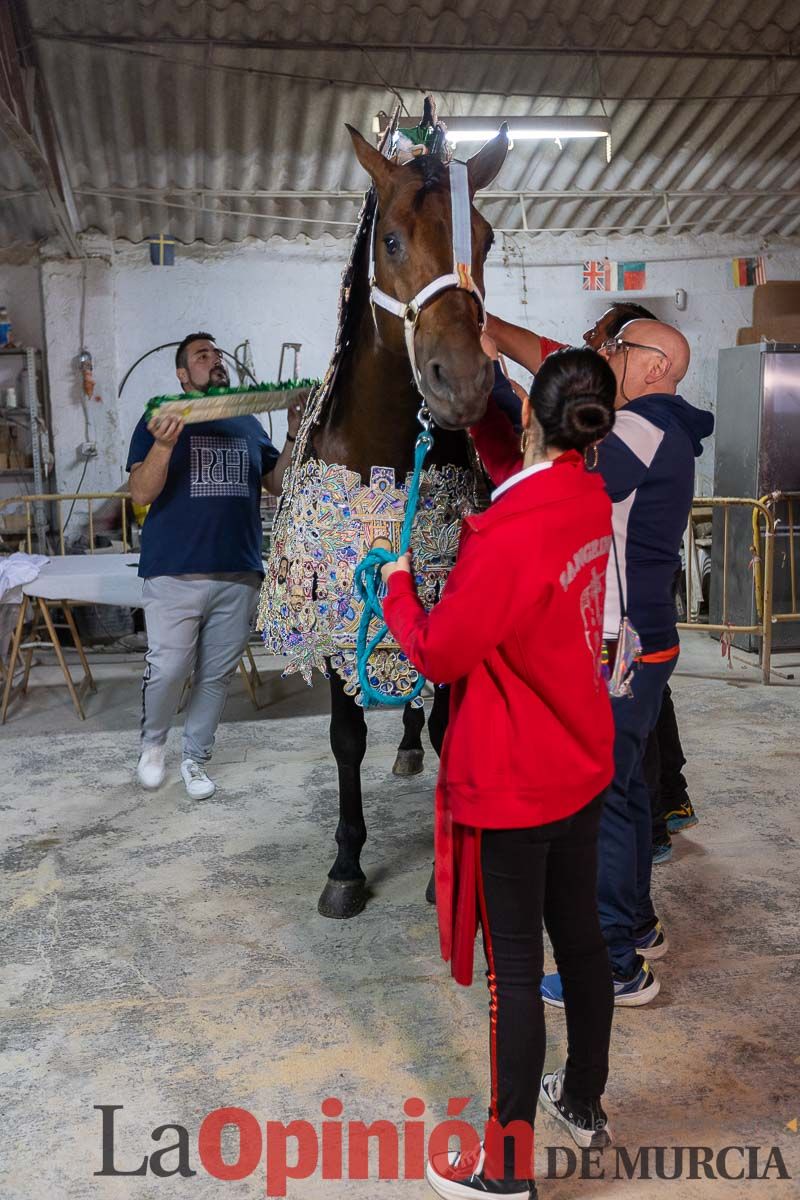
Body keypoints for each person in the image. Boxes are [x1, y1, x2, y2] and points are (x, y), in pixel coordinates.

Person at [382, 348, 618, 1200]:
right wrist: (490, 407)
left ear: (531, 418)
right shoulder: (587, 496)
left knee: (514, 974)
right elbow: (519, 471)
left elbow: (441, 654)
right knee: (582, 940)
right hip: (581, 768)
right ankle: (584, 1102)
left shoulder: (508, 533)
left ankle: (507, 1170)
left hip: (515, 786)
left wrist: (398, 591)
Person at [531, 319, 713, 1007]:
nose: (607, 357)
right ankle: (636, 926)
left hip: (622, 642)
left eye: (618, 349)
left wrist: (528, 418)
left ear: (655, 364)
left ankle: (613, 966)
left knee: (602, 800)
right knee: (631, 789)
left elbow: (566, 489)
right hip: (647, 638)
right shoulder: (660, 426)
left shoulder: (640, 426)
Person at [127, 332, 303, 799]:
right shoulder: (159, 418)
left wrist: (291, 432)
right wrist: (164, 445)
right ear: (183, 375)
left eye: (216, 354)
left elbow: (277, 483)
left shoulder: (247, 422)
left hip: (238, 570)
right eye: (202, 356)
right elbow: (141, 493)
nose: (215, 360)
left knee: (216, 675)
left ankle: (195, 759)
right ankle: (153, 745)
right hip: (174, 571)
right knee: (169, 666)